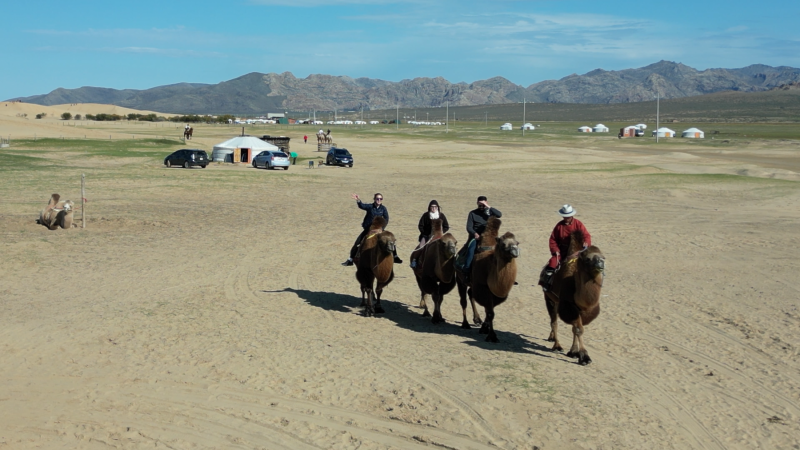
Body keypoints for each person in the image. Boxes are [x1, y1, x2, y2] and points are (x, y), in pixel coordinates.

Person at [539, 204, 592, 290]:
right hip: (562, 250)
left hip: (577, 250)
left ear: (571, 216)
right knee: (553, 262)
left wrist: (586, 242)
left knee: (589, 263)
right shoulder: (559, 226)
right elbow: (553, 239)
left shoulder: (578, 224)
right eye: (564, 216)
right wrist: (555, 250)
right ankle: (547, 283)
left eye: (568, 216)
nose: (566, 218)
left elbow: (586, 235)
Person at [342, 193, 403, 266]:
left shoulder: (383, 208)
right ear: (374, 199)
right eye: (377, 199)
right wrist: (358, 200)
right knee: (357, 243)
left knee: (390, 241)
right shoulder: (370, 207)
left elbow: (386, 219)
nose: (379, 200)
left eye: (380, 199)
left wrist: (382, 228)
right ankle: (350, 260)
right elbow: (362, 206)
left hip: (379, 230)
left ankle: (395, 257)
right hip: (368, 229)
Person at [460, 196, 502, 274]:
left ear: (486, 202)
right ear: (477, 203)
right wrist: (475, 234)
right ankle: (466, 270)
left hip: (489, 237)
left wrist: (488, 207)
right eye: (480, 204)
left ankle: (503, 272)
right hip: (477, 237)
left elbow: (499, 215)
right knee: (471, 250)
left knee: (502, 250)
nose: (481, 206)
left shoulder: (490, 212)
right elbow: (469, 227)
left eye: (483, 204)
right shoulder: (472, 213)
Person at [410, 200, 450, 268]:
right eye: (432, 207)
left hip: (439, 236)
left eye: (435, 207)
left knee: (446, 246)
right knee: (421, 246)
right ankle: (415, 260)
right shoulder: (426, 215)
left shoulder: (441, 216)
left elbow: (446, 226)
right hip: (427, 236)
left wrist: (441, 232)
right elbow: (420, 225)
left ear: (437, 207)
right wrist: (425, 233)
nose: (433, 208)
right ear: (429, 208)